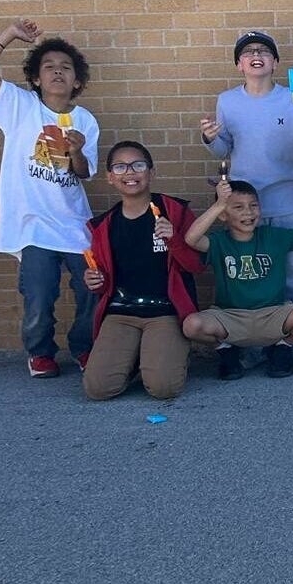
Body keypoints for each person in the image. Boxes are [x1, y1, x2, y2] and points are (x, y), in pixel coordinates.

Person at [0, 19, 98, 378]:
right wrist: (9, 34)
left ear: (77, 82)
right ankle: (40, 353)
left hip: (73, 224)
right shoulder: (20, 105)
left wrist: (76, 151)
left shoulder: (85, 119)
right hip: (33, 226)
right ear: (37, 78)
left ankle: (84, 347)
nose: (58, 72)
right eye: (49, 67)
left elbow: (85, 173)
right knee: (39, 297)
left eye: (66, 68)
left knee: (93, 287)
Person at [200, 29, 293, 369]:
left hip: (286, 198)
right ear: (239, 64)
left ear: (275, 62)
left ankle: (288, 348)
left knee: (292, 275)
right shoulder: (227, 101)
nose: (256, 55)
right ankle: (248, 348)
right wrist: (209, 138)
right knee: (246, 276)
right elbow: (224, 148)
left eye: (264, 51)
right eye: (248, 52)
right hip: (244, 204)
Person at [81, 142, 204, 400]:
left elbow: (197, 265)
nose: (130, 173)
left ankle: (161, 355)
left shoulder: (175, 212)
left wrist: (175, 241)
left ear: (151, 172)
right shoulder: (104, 225)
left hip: (165, 312)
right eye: (120, 167)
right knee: (97, 389)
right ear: (110, 177)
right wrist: (95, 281)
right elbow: (105, 282)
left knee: (163, 388)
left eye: (138, 165)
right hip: (121, 313)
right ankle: (137, 355)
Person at [182, 179, 293, 379]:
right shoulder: (219, 241)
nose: (248, 213)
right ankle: (226, 351)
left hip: (273, 315)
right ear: (223, 214)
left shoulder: (272, 236)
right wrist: (218, 205)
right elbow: (191, 239)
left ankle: (282, 347)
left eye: (253, 206)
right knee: (191, 325)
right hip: (231, 317)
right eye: (238, 207)